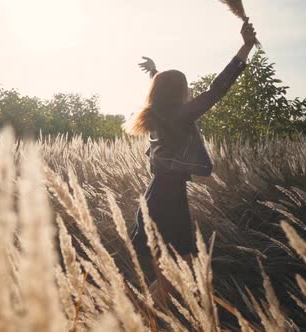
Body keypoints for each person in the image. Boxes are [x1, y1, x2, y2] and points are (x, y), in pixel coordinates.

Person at [123, 19, 257, 306]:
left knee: (172, 270)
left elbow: (163, 91)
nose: (190, 92)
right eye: (185, 87)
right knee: (178, 268)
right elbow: (217, 90)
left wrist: (155, 73)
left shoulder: (158, 113)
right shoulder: (178, 116)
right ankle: (138, 314)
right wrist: (245, 48)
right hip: (168, 199)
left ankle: (137, 316)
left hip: (159, 195)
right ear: (178, 93)